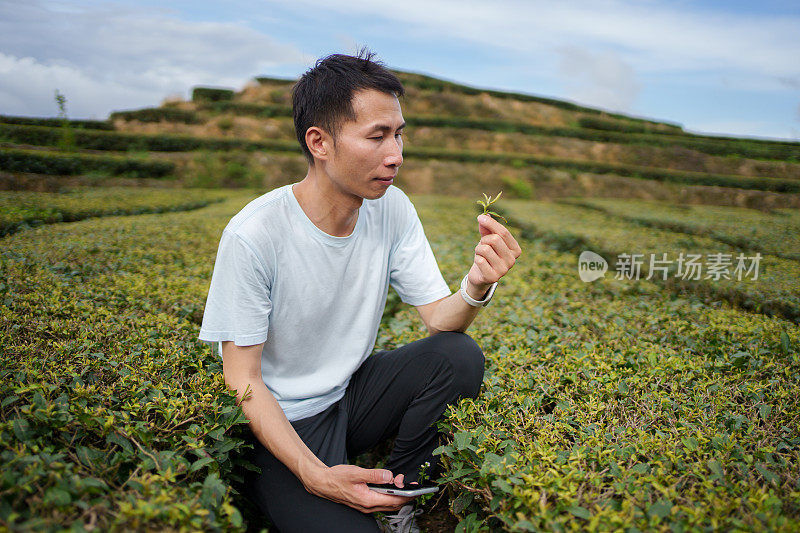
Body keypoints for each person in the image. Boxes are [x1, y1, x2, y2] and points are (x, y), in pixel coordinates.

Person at [198, 47, 522, 533]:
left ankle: (401, 497)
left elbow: (439, 318)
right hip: (281, 428)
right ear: (319, 142)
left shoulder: (391, 208)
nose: (396, 155)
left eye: (398, 134)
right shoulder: (254, 235)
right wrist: (314, 474)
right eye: (377, 136)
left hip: (347, 399)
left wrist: (477, 284)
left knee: (457, 354)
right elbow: (242, 379)